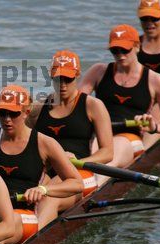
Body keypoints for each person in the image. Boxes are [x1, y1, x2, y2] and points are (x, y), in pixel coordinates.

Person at [0, 85, 83, 244]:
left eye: (13, 113)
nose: (7, 119)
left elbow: (77, 184)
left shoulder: (44, 143)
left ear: (27, 111)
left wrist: (44, 189)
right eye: (2, 113)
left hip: (24, 214)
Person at [79, 24, 160, 176]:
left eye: (125, 49)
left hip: (129, 137)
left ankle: (93, 186)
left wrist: (155, 127)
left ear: (137, 46)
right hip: (100, 134)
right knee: (84, 157)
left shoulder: (155, 80)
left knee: (107, 160)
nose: (120, 55)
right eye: (115, 50)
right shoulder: (98, 71)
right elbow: (75, 104)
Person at [28, 50, 113, 218]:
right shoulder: (38, 108)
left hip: (78, 174)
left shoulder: (93, 106)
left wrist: (76, 162)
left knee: (46, 198)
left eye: (68, 79)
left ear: (78, 75)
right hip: (47, 172)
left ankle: (33, 243)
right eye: (58, 79)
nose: (63, 85)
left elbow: (107, 153)